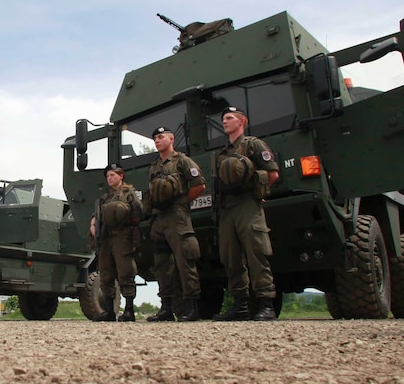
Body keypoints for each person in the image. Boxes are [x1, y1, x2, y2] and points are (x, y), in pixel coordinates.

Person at [213, 106, 280, 321]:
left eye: (230, 118)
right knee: (230, 257)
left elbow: (272, 173)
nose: (225, 121)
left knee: (256, 252)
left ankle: (266, 302)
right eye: (223, 118)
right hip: (228, 208)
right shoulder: (222, 153)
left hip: (248, 205)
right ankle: (240, 304)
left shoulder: (253, 144)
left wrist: (256, 191)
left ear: (242, 121)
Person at [142, 126, 207, 322]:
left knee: (184, 260)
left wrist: (184, 202)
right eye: (154, 138)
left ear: (171, 139)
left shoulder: (182, 161)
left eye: (161, 137)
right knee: (162, 264)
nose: (157, 140)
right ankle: (166, 308)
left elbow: (199, 184)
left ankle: (191, 306)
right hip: (158, 218)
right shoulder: (154, 166)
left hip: (177, 217)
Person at [91, 164, 142, 322]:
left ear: (121, 176)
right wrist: (93, 224)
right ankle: (109, 310)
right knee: (106, 274)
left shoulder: (129, 193)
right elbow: (96, 215)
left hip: (122, 237)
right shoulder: (105, 197)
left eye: (112, 175)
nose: (110, 178)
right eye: (107, 176)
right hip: (106, 238)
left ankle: (128, 309)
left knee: (125, 272)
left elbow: (139, 212)